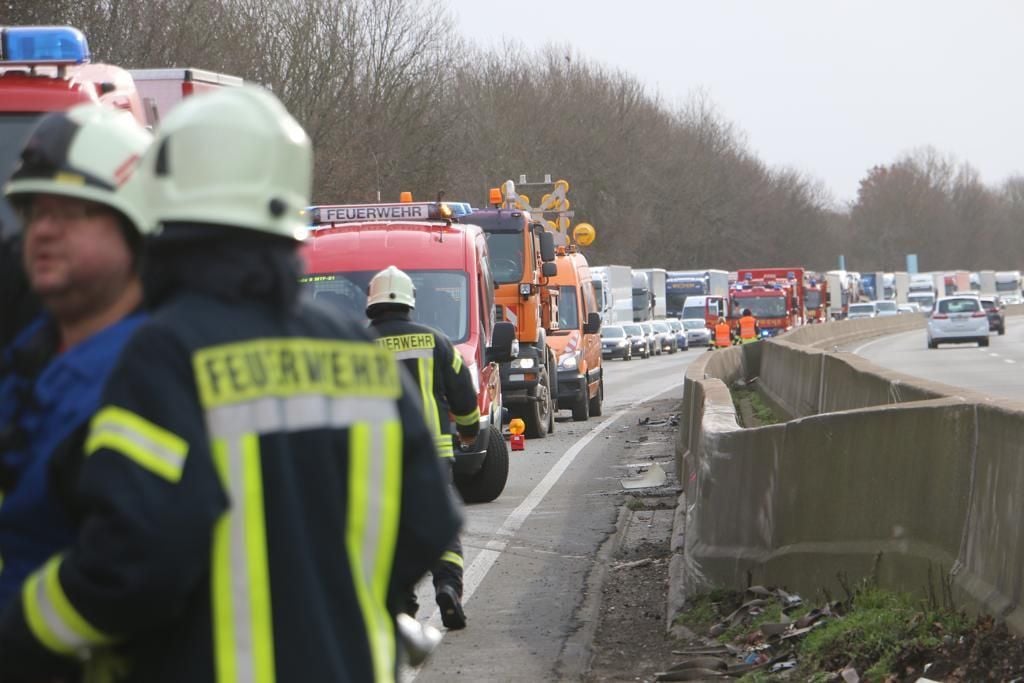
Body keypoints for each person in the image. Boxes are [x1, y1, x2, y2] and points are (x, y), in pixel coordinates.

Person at [0, 86, 461, 682]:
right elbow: (430, 526)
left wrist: (23, 629)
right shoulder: (358, 351)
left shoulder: (165, 352)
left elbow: (135, 564)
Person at [0, 105, 152, 616]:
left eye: (67, 212)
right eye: (34, 212)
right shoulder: (26, 359)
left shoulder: (155, 372)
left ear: (135, 225)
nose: (41, 231)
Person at [366, 266, 480, 631]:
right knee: (440, 526)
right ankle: (447, 586)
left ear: (372, 304)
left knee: (388, 532)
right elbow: (463, 393)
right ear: (410, 302)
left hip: (375, 458)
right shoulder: (436, 341)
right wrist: (469, 432)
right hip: (432, 454)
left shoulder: (353, 345)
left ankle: (400, 606)